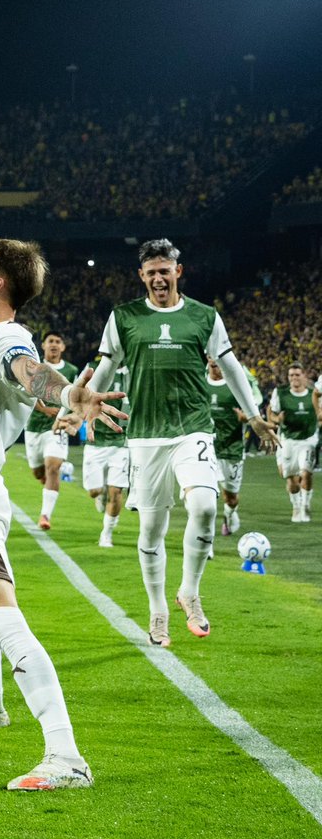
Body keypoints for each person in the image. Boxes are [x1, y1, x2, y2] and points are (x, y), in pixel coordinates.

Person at [0, 236, 126, 790]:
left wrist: (65, 395)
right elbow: (20, 392)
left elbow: (29, 372)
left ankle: (67, 756)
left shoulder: (7, 339)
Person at [86, 239, 278, 648]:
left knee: (205, 505)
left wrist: (256, 414)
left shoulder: (204, 317)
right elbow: (105, 367)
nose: (159, 277)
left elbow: (232, 368)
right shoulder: (124, 318)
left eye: (165, 270)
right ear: (142, 276)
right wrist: (83, 403)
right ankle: (157, 610)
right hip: (146, 437)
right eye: (151, 271)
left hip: (193, 429)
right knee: (152, 529)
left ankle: (189, 591)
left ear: (178, 271)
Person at [22, 331, 79, 530]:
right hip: (33, 427)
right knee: (39, 473)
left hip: (58, 427)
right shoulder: (34, 367)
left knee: (52, 467)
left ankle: (45, 516)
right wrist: (44, 409)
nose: (54, 344)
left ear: (63, 347)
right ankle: (58, 474)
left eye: (58, 341)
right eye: (50, 341)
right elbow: (26, 393)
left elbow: (76, 396)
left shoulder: (72, 371)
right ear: (43, 346)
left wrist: (71, 418)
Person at [80, 357, 130, 548]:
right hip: (96, 441)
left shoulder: (135, 370)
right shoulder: (94, 369)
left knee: (116, 491)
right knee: (94, 491)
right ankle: (100, 494)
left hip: (121, 441)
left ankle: (106, 534)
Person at [205, 357, 258, 537]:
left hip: (232, 449)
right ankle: (206, 539)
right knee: (207, 495)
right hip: (207, 449)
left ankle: (230, 514)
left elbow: (251, 413)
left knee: (231, 497)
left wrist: (246, 417)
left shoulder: (235, 384)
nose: (214, 362)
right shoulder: (200, 382)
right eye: (210, 357)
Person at [267, 363, 317, 523]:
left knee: (306, 472)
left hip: (308, 440)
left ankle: (305, 506)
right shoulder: (281, 393)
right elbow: (271, 414)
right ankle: (296, 507)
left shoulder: (314, 394)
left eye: (297, 375)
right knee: (290, 478)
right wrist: (277, 419)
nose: (294, 378)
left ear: (304, 376)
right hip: (288, 440)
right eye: (291, 376)